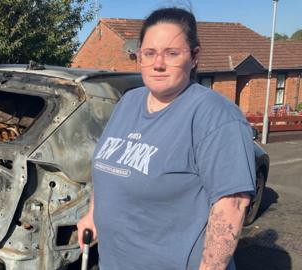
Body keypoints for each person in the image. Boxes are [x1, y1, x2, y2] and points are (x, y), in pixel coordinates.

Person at [77, 7, 256, 270]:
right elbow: (108, 167)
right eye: (149, 53)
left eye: (172, 53)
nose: (158, 63)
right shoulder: (129, 102)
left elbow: (232, 203)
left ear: (194, 56)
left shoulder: (215, 115)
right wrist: (93, 214)